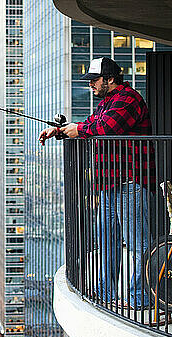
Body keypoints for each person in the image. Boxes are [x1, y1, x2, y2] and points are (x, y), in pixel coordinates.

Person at [39, 57, 153, 309]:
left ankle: (139, 297)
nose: (90, 85)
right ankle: (105, 290)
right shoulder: (107, 103)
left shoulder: (128, 99)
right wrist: (59, 131)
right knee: (107, 242)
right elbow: (91, 125)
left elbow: (105, 127)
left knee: (137, 244)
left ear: (110, 79)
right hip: (111, 185)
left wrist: (77, 128)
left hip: (129, 183)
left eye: (94, 80)